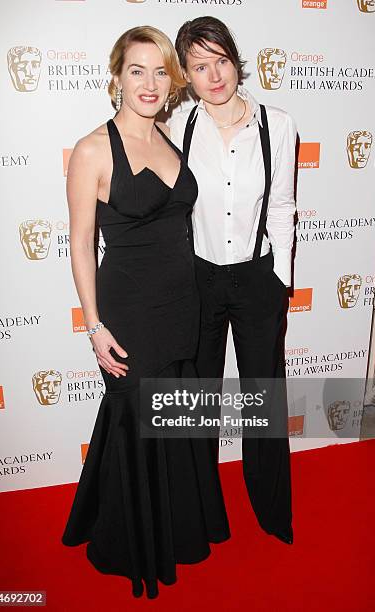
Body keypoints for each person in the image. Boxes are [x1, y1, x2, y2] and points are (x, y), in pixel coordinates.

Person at [61, 26, 230, 600]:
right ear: (117, 78)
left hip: (182, 303)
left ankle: (179, 530)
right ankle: (130, 541)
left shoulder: (169, 139)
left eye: (161, 70)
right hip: (129, 308)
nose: (151, 82)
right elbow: (81, 243)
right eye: (138, 70)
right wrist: (93, 324)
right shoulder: (92, 149)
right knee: (137, 416)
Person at [168, 16, 297, 545]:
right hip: (199, 280)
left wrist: (280, 280)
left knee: (262, 399)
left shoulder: (277, 123)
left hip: (258, 278)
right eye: (200, 66)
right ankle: (199, 514)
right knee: (197, 401)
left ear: (235, 60)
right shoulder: (180, 125)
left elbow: (284, 206)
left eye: (220, 60)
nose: (214, 75)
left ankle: (270, 511)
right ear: (187, 75)